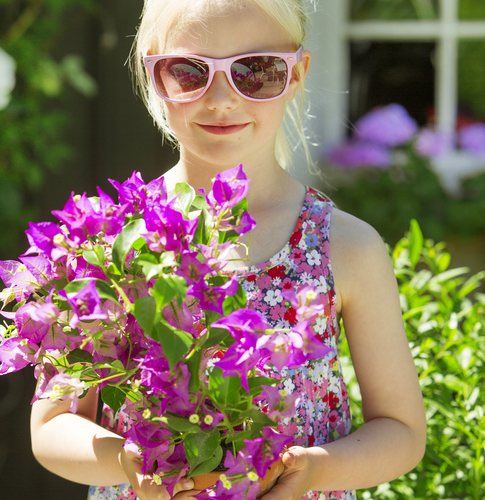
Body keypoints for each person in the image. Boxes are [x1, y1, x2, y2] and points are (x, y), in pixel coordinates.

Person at [30, 0, 426, 499]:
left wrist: (318, 470)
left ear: (296, 73)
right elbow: (51, 427)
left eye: (255, 71)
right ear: (154, 73)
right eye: (190, 72)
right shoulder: (108, 240)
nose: (221, 100)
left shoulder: (344, 247)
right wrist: (127, 464)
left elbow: (402, 431)